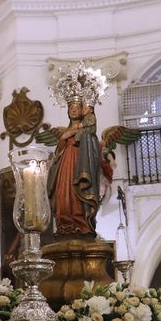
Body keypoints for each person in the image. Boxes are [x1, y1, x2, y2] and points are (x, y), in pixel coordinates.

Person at [47, 100, 102, 237]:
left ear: (82, 110)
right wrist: (64, 137)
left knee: (76, 189)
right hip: (65, 163)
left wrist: (80, 134)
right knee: (63, 191)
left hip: (80, 160)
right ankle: (64, 223)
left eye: (77, 108)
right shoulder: (66, 131)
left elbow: (93, 145)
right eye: (71, 108)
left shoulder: (87, 128)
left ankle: (80, 223)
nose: (73, 110)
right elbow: (57, 151)